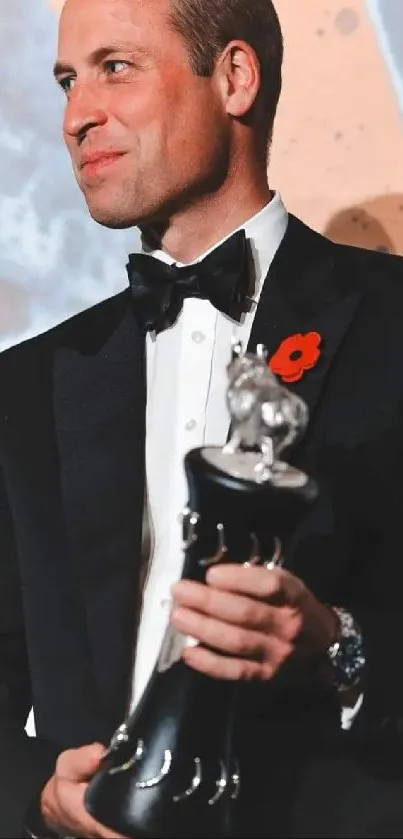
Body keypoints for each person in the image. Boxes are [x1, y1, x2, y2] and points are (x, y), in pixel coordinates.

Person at [1, 0, 403, 835]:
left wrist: (338, 646)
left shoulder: (391, 320)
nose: (77, 116)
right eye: (68, 81)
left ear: (234, 78)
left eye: (117, 67)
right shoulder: (24, 386)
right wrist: (38, 794)